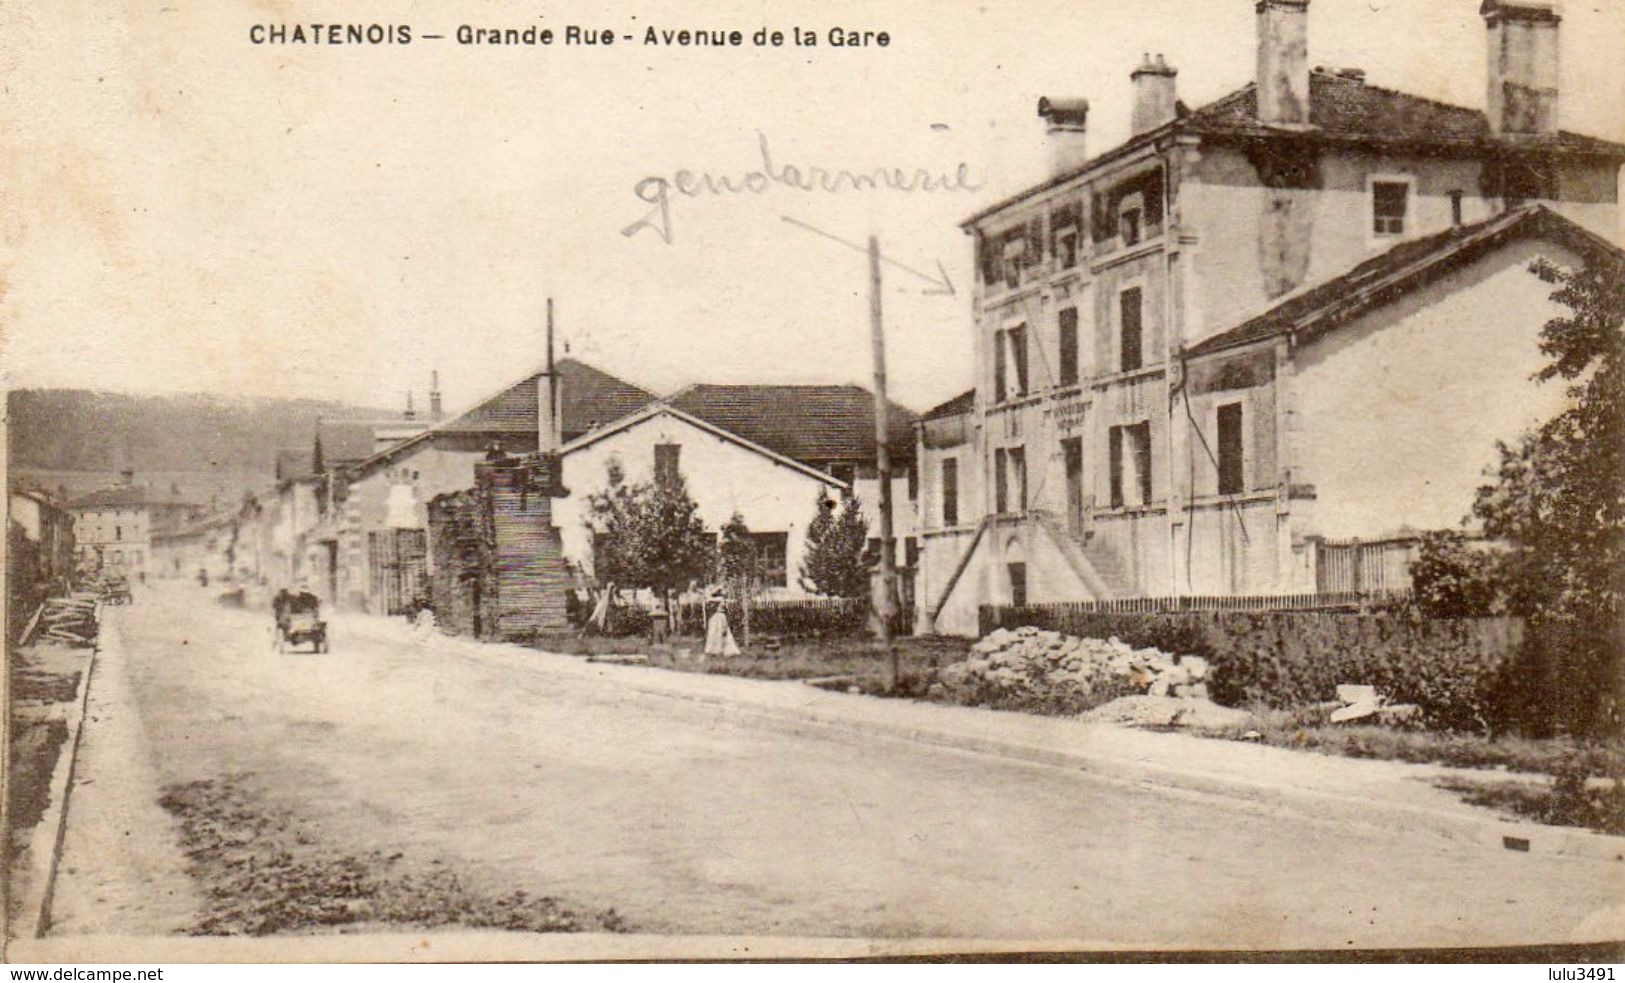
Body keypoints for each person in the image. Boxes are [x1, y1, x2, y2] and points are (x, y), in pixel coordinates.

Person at [703, 590, 740, 657]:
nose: (723, 594)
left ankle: (717, 649)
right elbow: (709, 600)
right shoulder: (718, 599)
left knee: (720, 632)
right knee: (716, 632)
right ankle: (715, 649)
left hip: (720, 617)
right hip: (718, 617)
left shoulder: (720, 600)